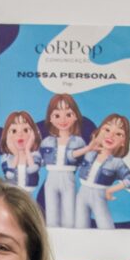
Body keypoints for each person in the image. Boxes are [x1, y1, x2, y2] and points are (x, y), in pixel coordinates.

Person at [72, 113, 130, 230]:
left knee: (106, 227)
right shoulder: (89, 153)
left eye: (118, 134)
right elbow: (71, 158)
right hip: (82, 193)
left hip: (99, 195)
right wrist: (89, 147)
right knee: (80, 226)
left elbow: (129, 180)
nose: (111, 135)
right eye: (107, 129)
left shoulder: (117, 163)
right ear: (98, 132)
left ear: (123, 142)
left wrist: (111, 189)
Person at [38, 93, 88, 228]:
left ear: (75, 116)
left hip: (68, 176)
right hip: (51, 177)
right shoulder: (47, 141)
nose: (63, 119)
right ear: (51, 118)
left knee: (69, 212)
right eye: (57, 115)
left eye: (68, 114)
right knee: (51, 211)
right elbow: (40, 161)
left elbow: (84, 162)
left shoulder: (78, 141)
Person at [0, 110, 43, 190]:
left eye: (26, 130)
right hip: (12, 195)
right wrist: (16, 155)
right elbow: (9, 175)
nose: (20, 134)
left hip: (29, 195)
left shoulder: (35, 155)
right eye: (14, 131)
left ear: (33, 134)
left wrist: (27, 150)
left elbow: (33, 170)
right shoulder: (6, 158)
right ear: (7, 135)